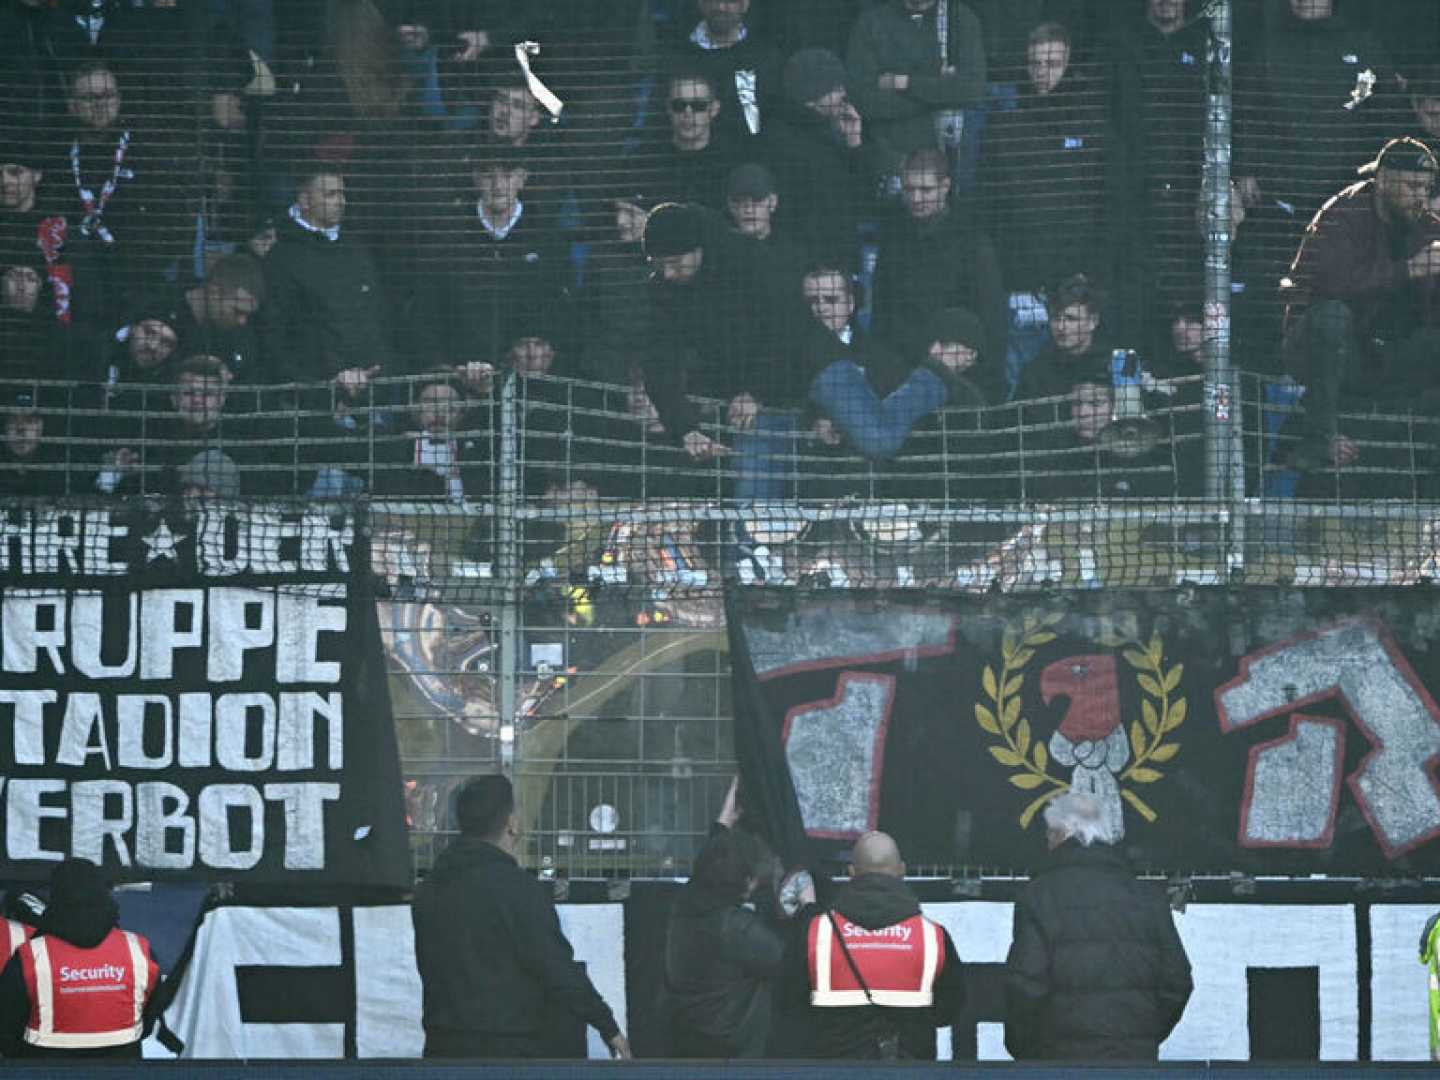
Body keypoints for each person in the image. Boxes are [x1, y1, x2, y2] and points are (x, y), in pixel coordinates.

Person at [411, 774, 631, 1060]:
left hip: (443, 1048)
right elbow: (555, 967)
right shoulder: (517, 889)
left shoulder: (431, 889)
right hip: (508, 1051)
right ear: (512, 824)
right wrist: (608, 1026)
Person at [1278, 137, 1440, 491]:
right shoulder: (1343, 213)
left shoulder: (1428, 226)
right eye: (1412, 186)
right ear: (1382, 180)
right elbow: (1331, 284)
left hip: (1380, 354)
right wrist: (1410, 270)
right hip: (1319, 346)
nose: (1420, 197)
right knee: (1332, 317)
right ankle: (1320, 437)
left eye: (1427, 188)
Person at [1004, 792, 1192, 1061]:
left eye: (1049, 833)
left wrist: (1027, 1050)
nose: (1046, 841)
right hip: (1133, 1060)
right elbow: (1177, 981)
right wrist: (1142, 1033)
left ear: (1061, 834)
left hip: (1060, 1059)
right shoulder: (1149, 898)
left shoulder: (1040, 896)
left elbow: (1026, 985)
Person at [798, 830, 966, 1060]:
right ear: (902, 871)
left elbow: (789, 1007)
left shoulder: (816, 933)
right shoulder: (933, 937)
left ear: (851, 873)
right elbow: (948, 1012)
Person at [0, 858, 162, 1059]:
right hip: (122, 1070)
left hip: (43, 1070)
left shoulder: (30, 955)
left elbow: (6, 1029)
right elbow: (149, 1021)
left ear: (57, 897)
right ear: (103, 895)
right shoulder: (139, 950)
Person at [663, 826, 788, 1057]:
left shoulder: (683, 908)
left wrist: (720, 828)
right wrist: (807, 908)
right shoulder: (736, 928)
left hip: (688, 1039)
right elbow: (789, 962)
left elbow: (702, 876)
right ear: (747, 880)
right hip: (731, 1048)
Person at [845, 0, 987, 180]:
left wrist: (903, 82)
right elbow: (863, 100)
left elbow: (973, 90)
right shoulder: (870, 23)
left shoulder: (961, 19)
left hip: (949, 161)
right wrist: (940, 90)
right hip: (889, 161)